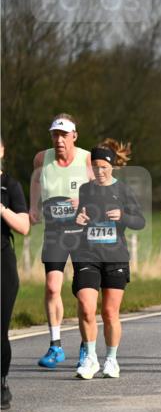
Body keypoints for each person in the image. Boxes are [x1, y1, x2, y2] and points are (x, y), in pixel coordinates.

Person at [71, 140, 145, 379]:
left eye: (104, 166)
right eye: (95, 166)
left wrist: (123, 215)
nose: (100, 171)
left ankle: (111, 360)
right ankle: (91, 358)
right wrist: (78, 219)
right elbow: (80, 217)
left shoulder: (123, 190)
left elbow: (140, 222)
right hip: (87, 255)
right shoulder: (85, 189)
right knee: (86, 307)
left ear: (112, 166)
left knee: (110, 313)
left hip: (115, 257)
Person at [31, 114, 93, 369]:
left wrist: (86, 201)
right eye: (55, 134)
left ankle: (85, 345)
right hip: (55, 232)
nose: (59, 140)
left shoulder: (87, 159)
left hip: (82, 233)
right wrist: (33, 206)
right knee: (52, 287)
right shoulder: (40, 158)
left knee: (82, 294)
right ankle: (55, 345)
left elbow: (106, 188)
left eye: (64, 135)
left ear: (74, 136)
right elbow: (35, 180)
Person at [2, 137, 30, 409]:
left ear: (1, 151)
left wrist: (1, 209)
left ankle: (1, 381)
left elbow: (24, 226)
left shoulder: (10, 186)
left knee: (0, 328)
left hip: (2, 263)